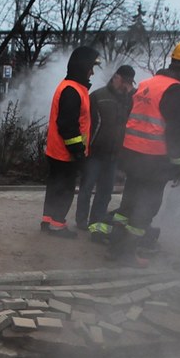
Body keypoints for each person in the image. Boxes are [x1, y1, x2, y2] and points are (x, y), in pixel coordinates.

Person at [106, 39, 180, 263]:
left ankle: (115, 248)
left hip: (131, 155)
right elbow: (177, 134)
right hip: (154, 160)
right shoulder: (177, 93)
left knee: (127, 204)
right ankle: (128, 254)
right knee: (146, 208)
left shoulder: (147, 84)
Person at [39, 46, 101, 237]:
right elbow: (68, 125)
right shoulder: (73, 90)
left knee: (55, 188)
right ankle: (57, 225)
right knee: (64, 191)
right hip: (66, 154)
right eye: (91, 67)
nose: (92, 72)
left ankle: (48, 222)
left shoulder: (71, 87)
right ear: (83, 67)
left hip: (58, 151)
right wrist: (78, 152)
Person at [79, 64, 135, 237]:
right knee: (87, 187)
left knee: (105, 190)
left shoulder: (130, 99)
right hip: (95, 152)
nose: (125, 85)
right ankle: (81, 221)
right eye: (123, 80)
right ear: (115, 77)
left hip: (114, 154)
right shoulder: (97, 96)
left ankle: (96, 221)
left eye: (129, 82)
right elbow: (85, 123)